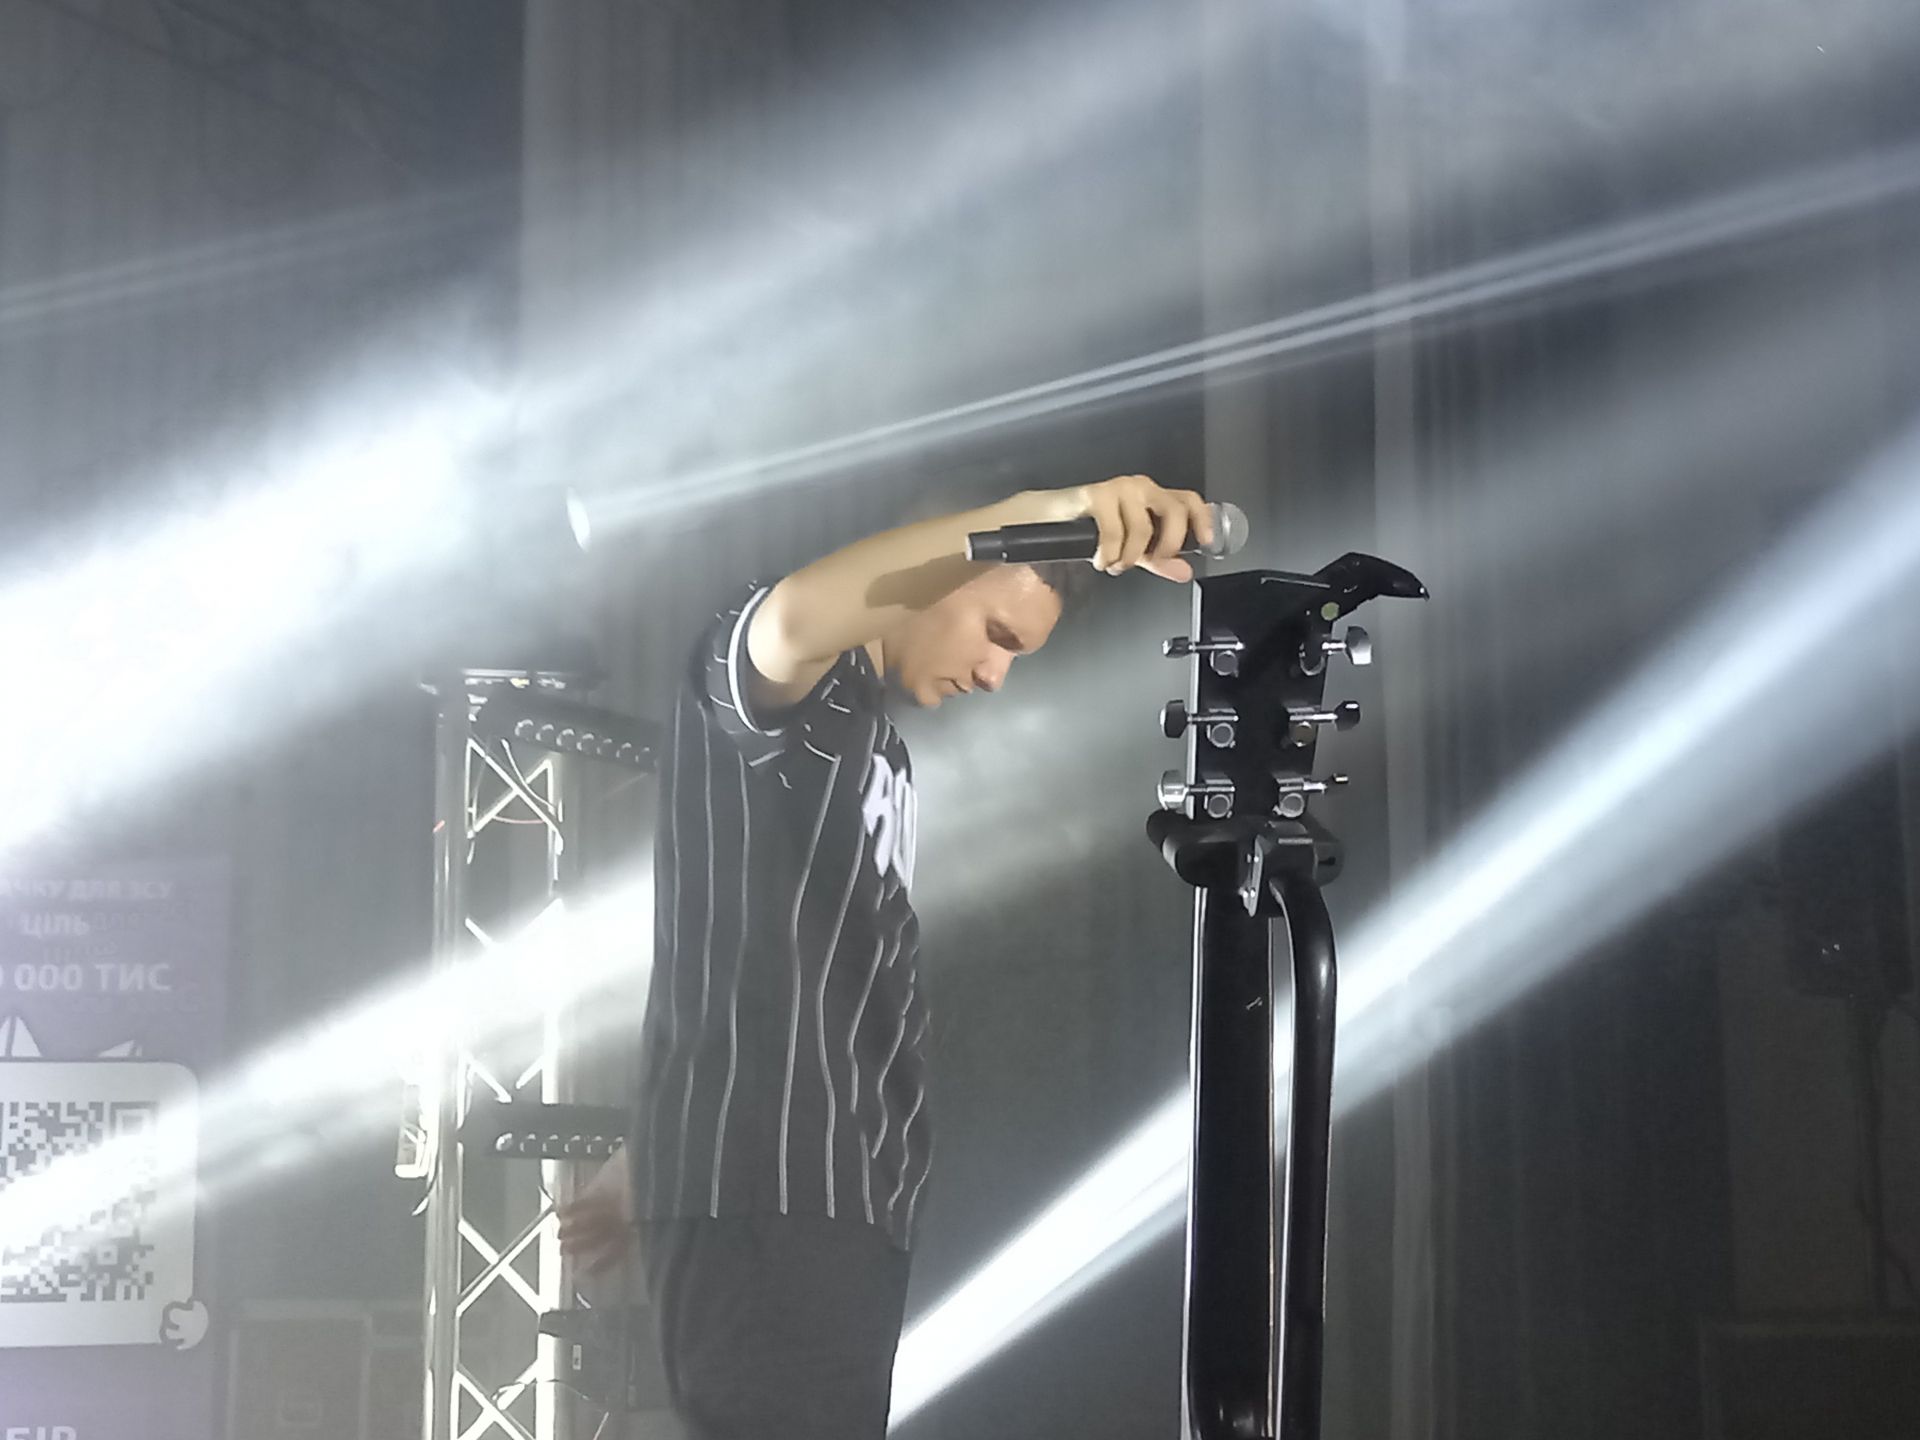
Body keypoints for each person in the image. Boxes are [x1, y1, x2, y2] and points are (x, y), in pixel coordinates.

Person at [558, 474, 1214, 1438]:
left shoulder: (877, 743)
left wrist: (651, 1146)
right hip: (778, 1194)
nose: (995, 675)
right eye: (997, 634)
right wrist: (1040, 516)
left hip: (839, 1198)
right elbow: (795, 617)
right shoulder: (784, 673)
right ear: (942, 566)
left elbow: (776, 952)